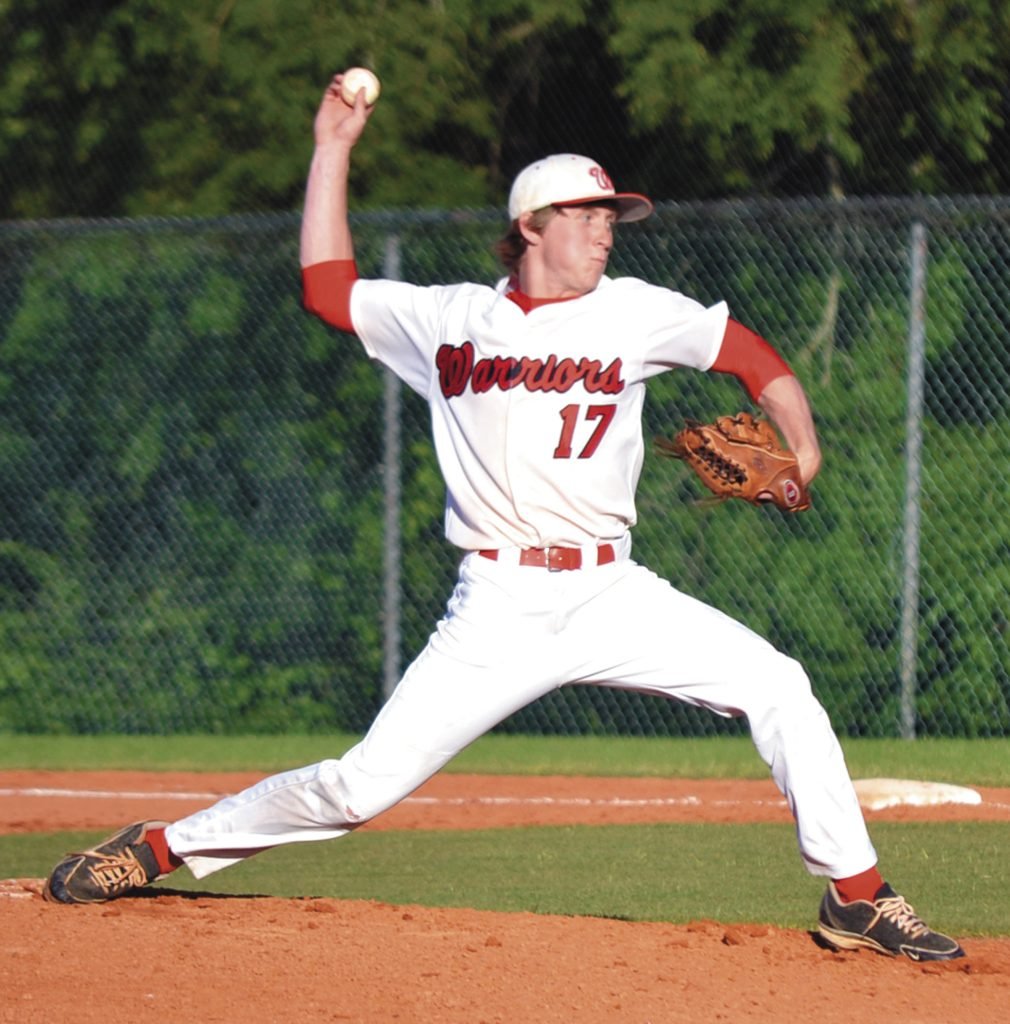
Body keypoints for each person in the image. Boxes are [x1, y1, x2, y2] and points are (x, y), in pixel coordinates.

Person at [45, 73, 963, 964]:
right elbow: (327, 288)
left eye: (612, 217)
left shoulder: (636, 312)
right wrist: (332, 148)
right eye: (587, 215)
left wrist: (802, 445)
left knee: (779, 686)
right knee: (357, 791)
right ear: (531, 225)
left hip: (610, 588)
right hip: (498, 602)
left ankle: (856, 895)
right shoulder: (448, 319)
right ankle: (158, 848)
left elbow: (755, 358)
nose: (606, 231)